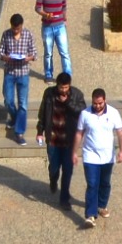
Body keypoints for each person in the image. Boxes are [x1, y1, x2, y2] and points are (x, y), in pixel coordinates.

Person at [73, 86, 122, 228]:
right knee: (92, 184)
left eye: (100, 103)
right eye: (95, 103)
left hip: (108, 156)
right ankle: (90, 215)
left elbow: (120, 133)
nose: (97, 106)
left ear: (105, 101)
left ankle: (101, 205)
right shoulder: (85, 114)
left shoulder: (114, 113)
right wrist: (74, 152)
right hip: (90, 156)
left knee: (105, 183)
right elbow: (79, 133)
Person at [35, 70, 85, 210]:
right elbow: (43, 113)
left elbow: (82, 111)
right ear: (57, 85)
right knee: (54, 167)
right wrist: (40, 131)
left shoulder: (76, 95)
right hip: (53, 139)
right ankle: (53, 179)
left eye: (66, 87)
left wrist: (68, 102)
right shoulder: (49, 94)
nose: (63, 90)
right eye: (61, 87)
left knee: (67, 171)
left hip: (69, 141)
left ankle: (64, 199)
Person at [0, 13, 37, 143]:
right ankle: (14, 118)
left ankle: (19, 133)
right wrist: (6, 57)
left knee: (23, 104)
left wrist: (27, 58)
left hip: (23, 73)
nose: (15, 31)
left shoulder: (28, 35)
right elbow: (0, 53)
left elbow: (34, 53)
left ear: (21, 26)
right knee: (8, 100)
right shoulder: (6, 34)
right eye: (14, 28)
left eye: (18, 29)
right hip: (10, 72)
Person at [34, 0, 71, 79]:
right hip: (47, 27)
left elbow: (64, 6)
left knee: (64, 52)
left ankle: (67, 75)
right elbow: (37, 8)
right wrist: (45, 15)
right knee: (48, 53)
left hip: (60, 25)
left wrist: (64, 17)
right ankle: (48, 74)